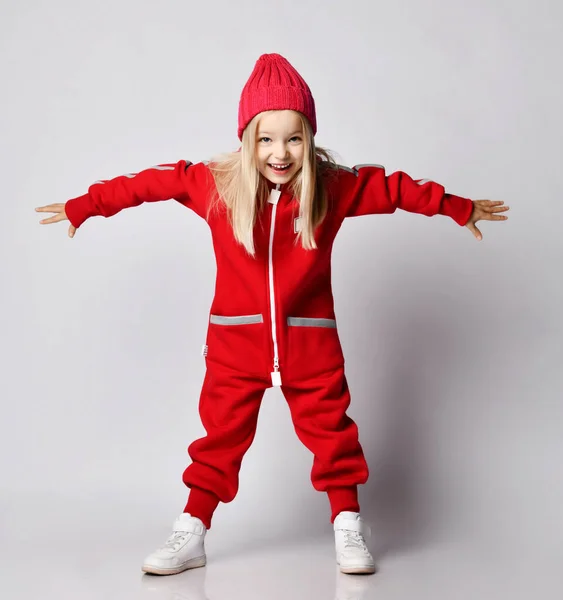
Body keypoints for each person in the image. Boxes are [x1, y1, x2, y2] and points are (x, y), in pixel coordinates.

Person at [36, 53, 509, 577]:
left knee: (332, 435)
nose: (279, 153)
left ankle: (348, 523)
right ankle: (192, 531)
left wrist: (457, 206)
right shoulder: (214, 184)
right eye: (266, 138)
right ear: (247, 139)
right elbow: (149, 183)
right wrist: (86, 205)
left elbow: (394, 189)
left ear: (309, 139)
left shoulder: (332, 187)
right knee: (218, 441)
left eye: (293, 138)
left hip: (310, 344)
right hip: (235, 346)